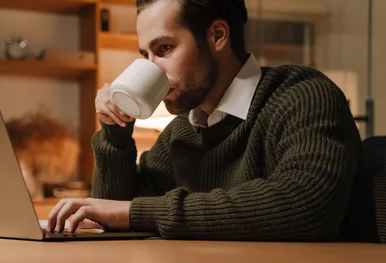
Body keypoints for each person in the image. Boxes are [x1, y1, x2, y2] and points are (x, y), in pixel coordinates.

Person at [48, 0, 378, 242]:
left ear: (217, 35)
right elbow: (112, 213)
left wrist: (136, 213)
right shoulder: (183, 131)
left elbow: (307, 204)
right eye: (144, 56)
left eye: (164, 48)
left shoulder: (302, 95)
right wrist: (115, 133)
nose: (151, 68)